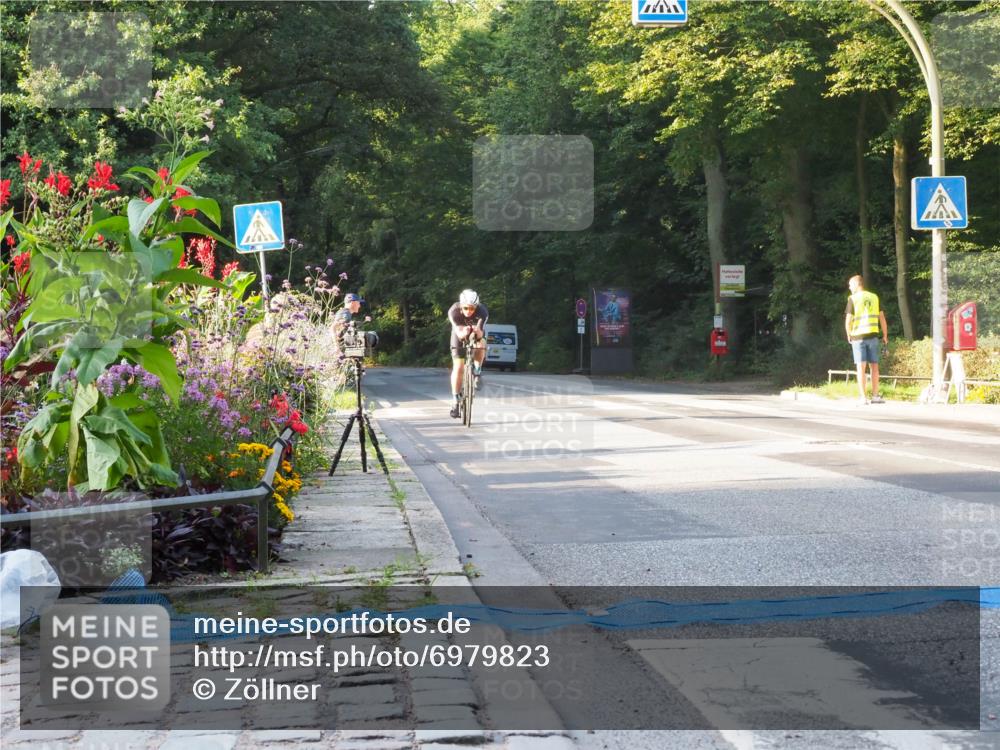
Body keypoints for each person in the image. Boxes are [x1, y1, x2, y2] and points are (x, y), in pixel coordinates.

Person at [844, 275, 889, 405]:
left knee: (860, 367)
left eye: (850, 285)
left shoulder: (852, 299)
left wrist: (848, 334)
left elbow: (848, 320)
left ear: (857, 284)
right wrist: (885, 335)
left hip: (858, 337)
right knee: (875, 367)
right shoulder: (875, 297)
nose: (849, 287)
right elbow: (882, 318)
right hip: (873, 336)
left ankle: (863, 397)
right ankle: (875, 396)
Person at [448, 289, 488, 418]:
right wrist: (465, 332)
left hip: (476, 332)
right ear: (461, 306)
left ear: (476, 307)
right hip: (459, 333)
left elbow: (481, 333)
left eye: (472, 308)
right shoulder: (454, 312)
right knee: (458, 367)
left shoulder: (482, 312)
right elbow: (459, 334)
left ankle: (477, 371)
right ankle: (455, 401)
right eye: (465, 308)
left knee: (481, 344)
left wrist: (476, 332)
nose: (469, 311)